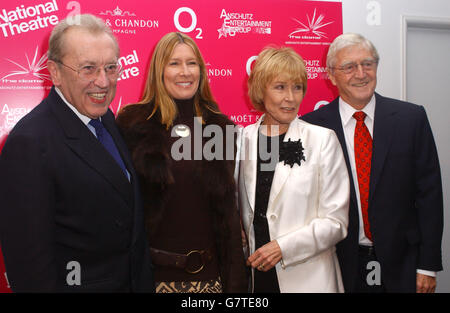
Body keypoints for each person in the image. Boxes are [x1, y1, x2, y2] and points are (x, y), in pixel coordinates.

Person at [0, 14, 154, 292]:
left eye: (110, 68)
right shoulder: (30, 142)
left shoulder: (105, 119)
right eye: (88, 69)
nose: (104, 82)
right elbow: (29, 267)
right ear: (55, 72)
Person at [301, 33, 444, 293]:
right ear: (332, 76)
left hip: (404, 265)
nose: (361, 73)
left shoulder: (411, 119)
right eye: (349, 67)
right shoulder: (311, 127)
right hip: (338, 263)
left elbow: (430, 196)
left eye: (367, 64)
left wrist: (428, 265)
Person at [116, 32, 248, 293]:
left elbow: (228, 214)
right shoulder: (133, 123)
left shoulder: (219, 127)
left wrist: (235, 283)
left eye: (192, 63)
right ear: (159, 70)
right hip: (151, 278)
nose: (185, 72)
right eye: (174, 63)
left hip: (210, 279)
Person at [239, 46, 350, 293]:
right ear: (260, 89)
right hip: (258, 280)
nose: (291, 97)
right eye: (280, 87)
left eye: (297, 87)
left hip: (310, 280)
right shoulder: (242, 140)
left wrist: (283, 247)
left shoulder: (322, 140)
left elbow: (336, 222)